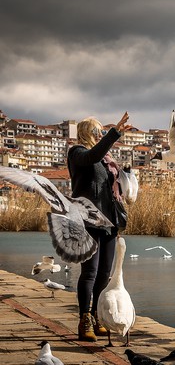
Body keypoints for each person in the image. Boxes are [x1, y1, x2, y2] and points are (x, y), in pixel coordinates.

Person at [67, 111, 130, 341]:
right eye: (98, 131)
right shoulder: (77, 153)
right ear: (87, 132)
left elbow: (108, 184)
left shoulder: (104, 160)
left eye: (102, 131)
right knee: (90, 272)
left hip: (109, 222)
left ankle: (96, 316)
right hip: (88, 220)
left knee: (104, 272)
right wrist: (114, 134)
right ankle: (84, 320)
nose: (100, 134)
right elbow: (93, 155)